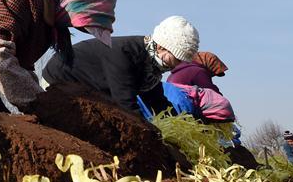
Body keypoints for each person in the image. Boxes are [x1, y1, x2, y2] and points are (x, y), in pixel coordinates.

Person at [42, 16, 199, 117]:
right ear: (161, 47)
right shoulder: (126, 54)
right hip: (58, 82)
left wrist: (182, 122)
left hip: (86, 89)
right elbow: (126, 106)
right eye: (177, 58)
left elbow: (157, 100)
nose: (176, 65)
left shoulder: (148, 66)